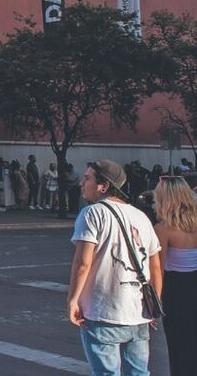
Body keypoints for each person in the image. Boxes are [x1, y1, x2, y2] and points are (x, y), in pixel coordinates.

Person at [68, 159, 161, 376]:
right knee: (139, 372)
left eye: (87, 178)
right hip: (138, 311)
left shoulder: (92, 213)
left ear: (103, 185)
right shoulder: (141, 216)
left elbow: (82, 263)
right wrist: (154, 304)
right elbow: (155, 266)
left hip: (103, 311)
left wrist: (73, 299)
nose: (81, 183)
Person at [153, 175, 197, 375]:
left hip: (176, 288)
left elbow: (158, 268)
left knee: (178, 343)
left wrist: (154, 301)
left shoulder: (162, 229)